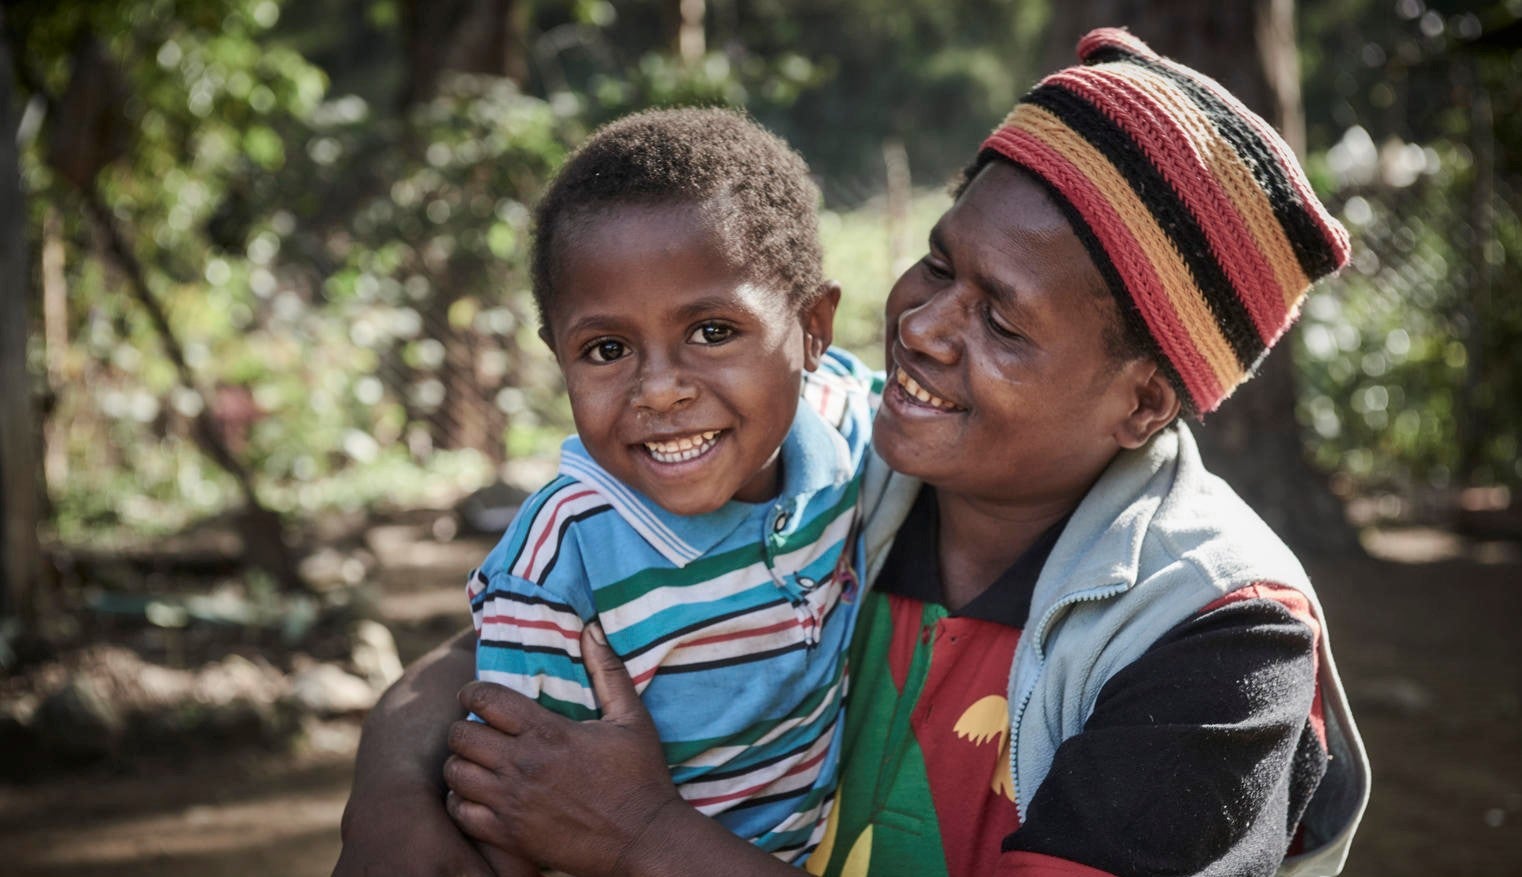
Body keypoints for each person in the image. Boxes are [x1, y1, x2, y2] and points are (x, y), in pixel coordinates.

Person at [334, 28, 1370, 877]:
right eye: (938, 262)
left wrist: (645, 836)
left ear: (1142, 400)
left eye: (1001, 320)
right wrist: (391, 783)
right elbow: (547, 604)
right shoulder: (838, 451)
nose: (921, 326)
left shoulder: (1220, 635)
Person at [454, 107, 878, 874]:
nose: (659, 389)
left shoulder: (847, 430)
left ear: (814, 328)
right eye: (607, 349)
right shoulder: (561, 565)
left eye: (713, 330)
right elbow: (512, 805)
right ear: (558, 357)